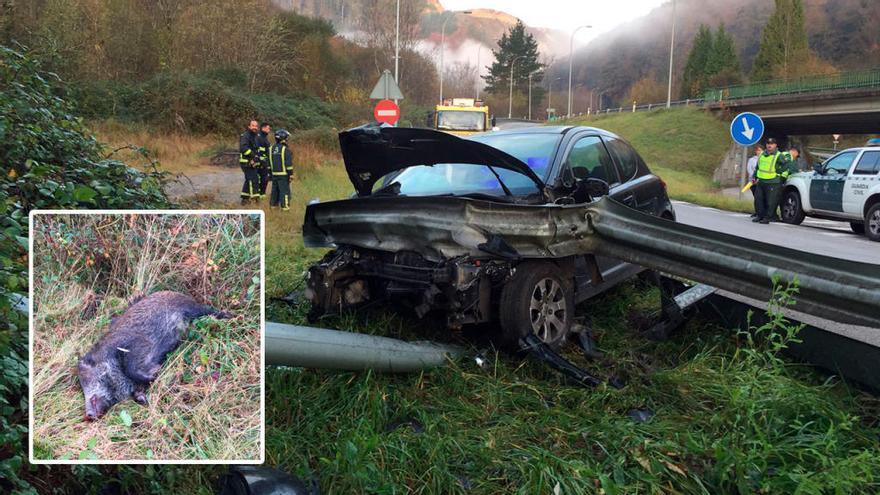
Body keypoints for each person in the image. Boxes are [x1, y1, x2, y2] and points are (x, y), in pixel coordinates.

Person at [752, 137, 790, 224]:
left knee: (771, 201)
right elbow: (758, 167)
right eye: (768, 144)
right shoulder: (762, 154)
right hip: (761, 180)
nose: (769, 145)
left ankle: (767, 217)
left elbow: (787, 164)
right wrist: (755, 176)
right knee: (758, 200)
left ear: (775, 145)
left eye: (772, 144)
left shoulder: (778, 155)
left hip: (773, 181)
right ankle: (759, 215)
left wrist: (779, 171)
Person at [268, 129, 294, 211]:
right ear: (283, 138)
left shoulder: (271, 148)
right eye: (287, 138)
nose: (287, 140)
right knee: (284, 191)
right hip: (283, 175)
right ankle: (285, 208)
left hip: (274, 174)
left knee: (274, 191)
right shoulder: (285, 149)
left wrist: (270, 174)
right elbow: (288, 164)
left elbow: (268, 163)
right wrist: (291, 174)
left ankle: (273, 206)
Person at [238, 119, 261, 204]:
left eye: (256, 126)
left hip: (252, 161)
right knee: (253, 179)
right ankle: (255, 199)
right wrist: (253, 156)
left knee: (248, 179)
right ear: (249, 126)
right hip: (246, 162)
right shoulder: (245, 136)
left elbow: (256, 149)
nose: (255, 127)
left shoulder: (255, 136)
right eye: (253, 125)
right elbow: (244, 148)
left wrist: (257, 159)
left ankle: (244, 199)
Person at [747, 143, 764, 218]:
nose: (758, 152)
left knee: (760, 198)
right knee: (756, 197)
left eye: (760, 150)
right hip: (753, 181)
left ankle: (761, 212)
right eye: (757, 150)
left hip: (761, 181)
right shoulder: (751, 160)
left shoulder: (764, 159)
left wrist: (759, 178)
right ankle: (757, 212)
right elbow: (749, 169)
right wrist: (754, 178)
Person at [256, 122, 272, 200]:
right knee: (261, 179)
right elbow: (258, 151)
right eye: (268, 128)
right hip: (260, 163)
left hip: (265, 162)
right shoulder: (259, 137)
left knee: (265, 179)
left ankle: (262, 195)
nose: (269, 130)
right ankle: (259, 195)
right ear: (263, 128)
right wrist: (261, 160)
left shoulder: (264, 137)